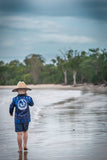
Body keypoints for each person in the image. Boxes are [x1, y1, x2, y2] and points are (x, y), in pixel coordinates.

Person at [9, 81, 34, 152]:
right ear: (25, 90)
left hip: (18, 119)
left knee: (19, 134)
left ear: (17, 90)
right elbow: (32, 104)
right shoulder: (28, 98)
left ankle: (20, 148)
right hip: (26, 118)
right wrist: (28, 96)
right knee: (25, 132)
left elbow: (11, 107)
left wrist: (11, 112)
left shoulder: (14, 99)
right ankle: (25, 145)